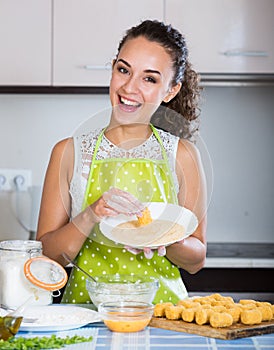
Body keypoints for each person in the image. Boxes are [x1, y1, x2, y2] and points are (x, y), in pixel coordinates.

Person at [36, 19, 207, 305]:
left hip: (164, 317)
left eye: (149, 78)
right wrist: (90, 215)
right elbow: (48, 256)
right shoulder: (69, 152)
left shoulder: (183, 155)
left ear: (171, 91)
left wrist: (166, 238)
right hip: (86, 314)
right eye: (123, 70)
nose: (129, 87)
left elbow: (196, 259)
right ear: (113, 68)